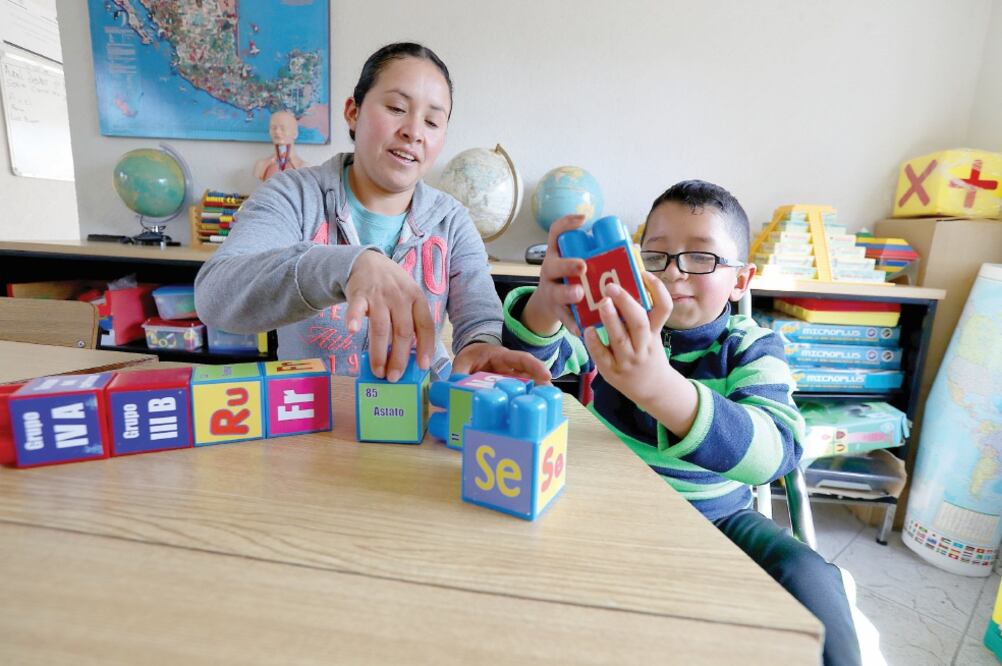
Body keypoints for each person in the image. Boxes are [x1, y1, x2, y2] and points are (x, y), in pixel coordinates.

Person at [501, 180, 862, 666]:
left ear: (740, 280)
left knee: (812, 576)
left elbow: (776, 449)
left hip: (718, 518)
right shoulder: (613, 329)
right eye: (656, 255)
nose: (674, 273)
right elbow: (527, 360)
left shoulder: (751, 347)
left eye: (702, 257)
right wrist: (546, 305)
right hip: (608, 512)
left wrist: (659, 387)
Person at [196, 42, 547, 384]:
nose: (413, 131)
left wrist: (481, 348)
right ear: (353, 111)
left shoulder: (452, 221)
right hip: (310, 426)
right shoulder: (293, 196)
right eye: (396, 108)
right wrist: (345, 267)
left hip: (414, 425)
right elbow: (214, 296)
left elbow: (480, 321)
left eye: (432, 121)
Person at [253, 110, 309, 181]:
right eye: (273, 128)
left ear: (295, 133)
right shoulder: (261, 165)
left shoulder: (304, 167)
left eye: (283, 128)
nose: (277, 132)